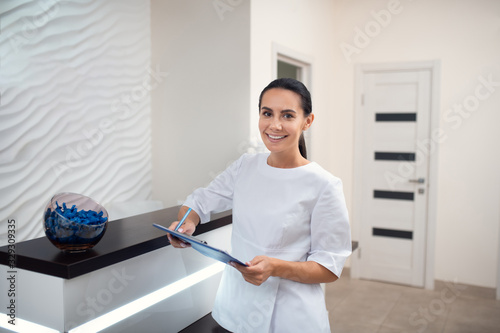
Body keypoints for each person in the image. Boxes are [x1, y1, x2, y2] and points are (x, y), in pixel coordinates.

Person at [167, 78, 351, 333]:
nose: (274, 125)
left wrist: (276, 267)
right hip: (233, 311)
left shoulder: (324, 185)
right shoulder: (245, 166)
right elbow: (199, 200)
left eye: (287, 115)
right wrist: (186, 223)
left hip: (289, 319)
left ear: (307, 121)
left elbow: (329, 267)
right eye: (267, 113)